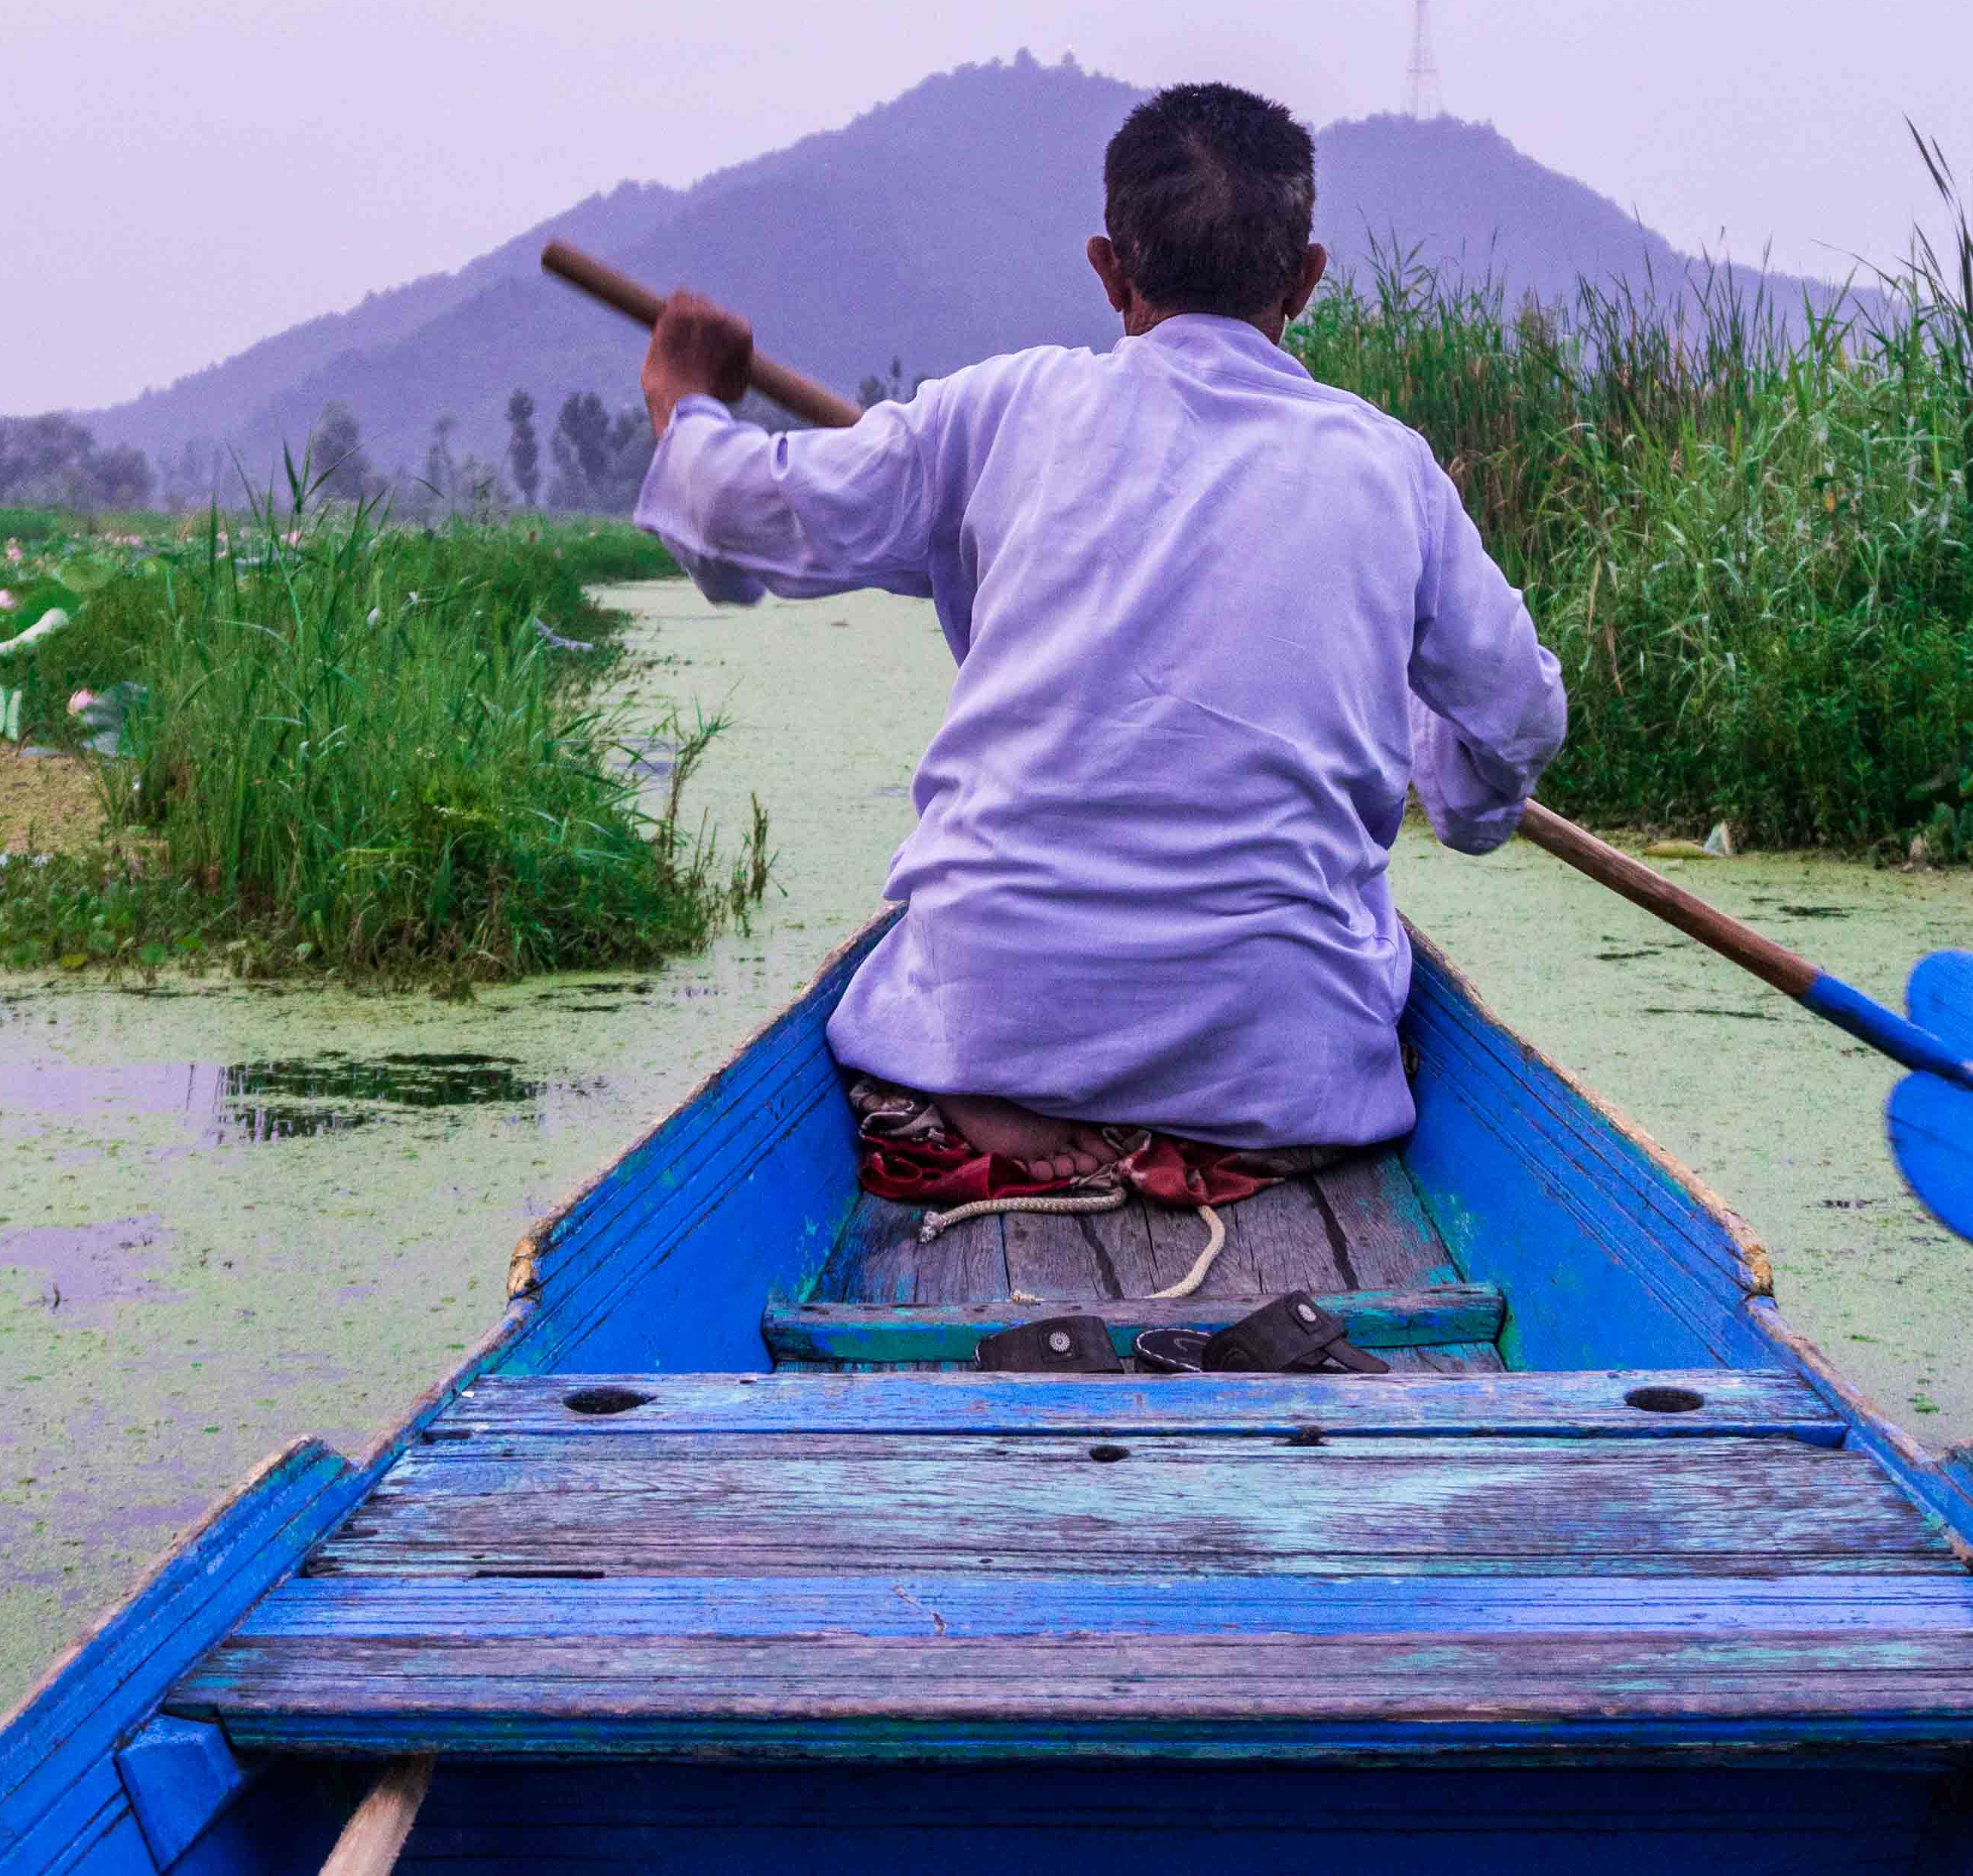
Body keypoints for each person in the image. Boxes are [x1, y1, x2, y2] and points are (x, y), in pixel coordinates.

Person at [628, 81, 1567, 1200]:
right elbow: (1518, 711)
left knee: (954, 984)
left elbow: (742, 509)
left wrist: (684, 403)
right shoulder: (1388, 467)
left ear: (1109, 270)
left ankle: (997, 1078)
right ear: (1306, 280)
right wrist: (1461, 799)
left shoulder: (1002, 411)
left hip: (989, 1028)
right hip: (1287, 1075)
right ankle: (1215, 1102)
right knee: (1317, 998)